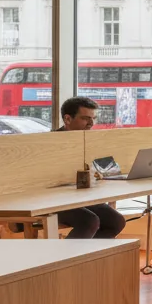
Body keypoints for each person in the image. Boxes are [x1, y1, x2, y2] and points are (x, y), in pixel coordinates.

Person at [55, 97, 126, 239]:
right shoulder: (52, 142)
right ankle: (68, 260)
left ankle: (88, 257)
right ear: (67, 119)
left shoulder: (87, 141)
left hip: (78, 197)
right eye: (86, 118)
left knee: (116, 221)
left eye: (93, 118)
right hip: (55, 200)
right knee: (89, 221)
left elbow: (104, 168)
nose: (91, 123)